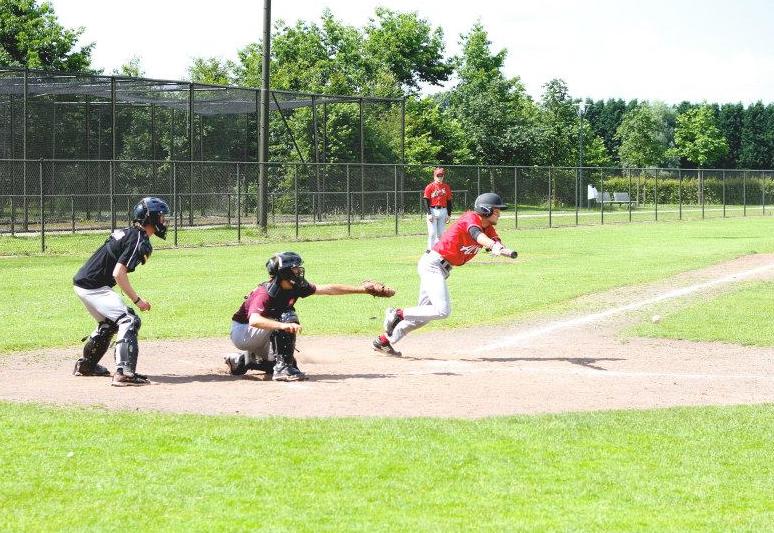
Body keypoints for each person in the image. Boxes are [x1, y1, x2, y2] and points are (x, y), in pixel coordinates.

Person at [373, 192, 517, 357]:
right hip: (433, 265)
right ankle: (397, 314)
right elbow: (476, 235)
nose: (499, 213)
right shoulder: (471, 218)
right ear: (485, 210)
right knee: (442, 310)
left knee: (422, 316)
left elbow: (494, 240)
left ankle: (384, 341)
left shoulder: (488, 227)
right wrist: (492, 244)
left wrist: (499, 247)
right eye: (496, 210)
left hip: (441, 269)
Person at [226, 252, 395, 381]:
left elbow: (329, 289)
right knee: (287, 316)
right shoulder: (264, 293)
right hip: (243, 332)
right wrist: (282, 326)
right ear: (284, 273)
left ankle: (244, 360)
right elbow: (254, 320)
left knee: (284, 360)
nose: (299, 271)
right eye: (295, 268)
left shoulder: (295, 286)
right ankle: (282, 370)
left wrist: (363, 290)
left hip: (261, 333)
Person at [72, 197, 170, 387]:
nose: (163, 221)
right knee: (129, 320)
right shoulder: (138, 239)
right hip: (95, 287)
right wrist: (137, 300)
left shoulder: (130, 233)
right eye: (161, 217)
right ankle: (124, 373)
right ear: (149, 219)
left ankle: (87, 366)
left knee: (109, 323)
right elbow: (119, 273)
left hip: (84, 283)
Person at [423, 167, 453, 250]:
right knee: (432, 233)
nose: (440, 177)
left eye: (441, 176)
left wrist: (449, 214)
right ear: (434, 176)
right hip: (432, 210)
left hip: (443, 211)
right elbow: (426, 201)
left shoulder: (446, 187)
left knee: (441, 235)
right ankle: (429, 250)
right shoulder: (430, 187)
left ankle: (438, 251)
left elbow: (449, 201)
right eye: (438, 175)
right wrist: (429, 213)